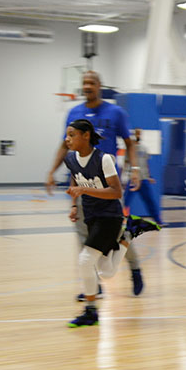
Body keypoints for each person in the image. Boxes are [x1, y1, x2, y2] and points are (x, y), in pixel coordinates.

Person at [46, 71, 148, 297]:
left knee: (115, 233)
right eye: (84, 83)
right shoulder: (75, 112)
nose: (87, 86)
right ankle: (93, 285)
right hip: (83, 183)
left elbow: (130, 143)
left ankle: (135, 269)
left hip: (108, 185)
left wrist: (136, 169)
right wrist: (53, 171)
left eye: (91, 82)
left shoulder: (115, 113)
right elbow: (65, 145)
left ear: (100, 86)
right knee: (83, 236)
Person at [61, 119, 159, 328]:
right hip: (91, 215)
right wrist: (74, 206)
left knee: (86, 260)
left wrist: (84, 190)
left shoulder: (104, 159)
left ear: (86, 135)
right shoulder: (70, 159)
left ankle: (90, 311)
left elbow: (116, 192)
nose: (67, 139)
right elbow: (75, 178)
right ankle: (129, 233)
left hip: (110, 216)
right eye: (67, 135)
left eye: (71, 135)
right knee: (106, 271)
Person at [122, 128, 164, 225]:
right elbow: (125, 163)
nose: (138, 136)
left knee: (150, 201)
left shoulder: (144, 148)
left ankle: (158, 220)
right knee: (125, 201)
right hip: (132, 179)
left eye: (140, 134)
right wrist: (123, 177)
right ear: (134, 134)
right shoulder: (130, 148)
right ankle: (120, 219)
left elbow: (146, 164)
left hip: (144, 179)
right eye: (137, 134)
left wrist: (149, 176)